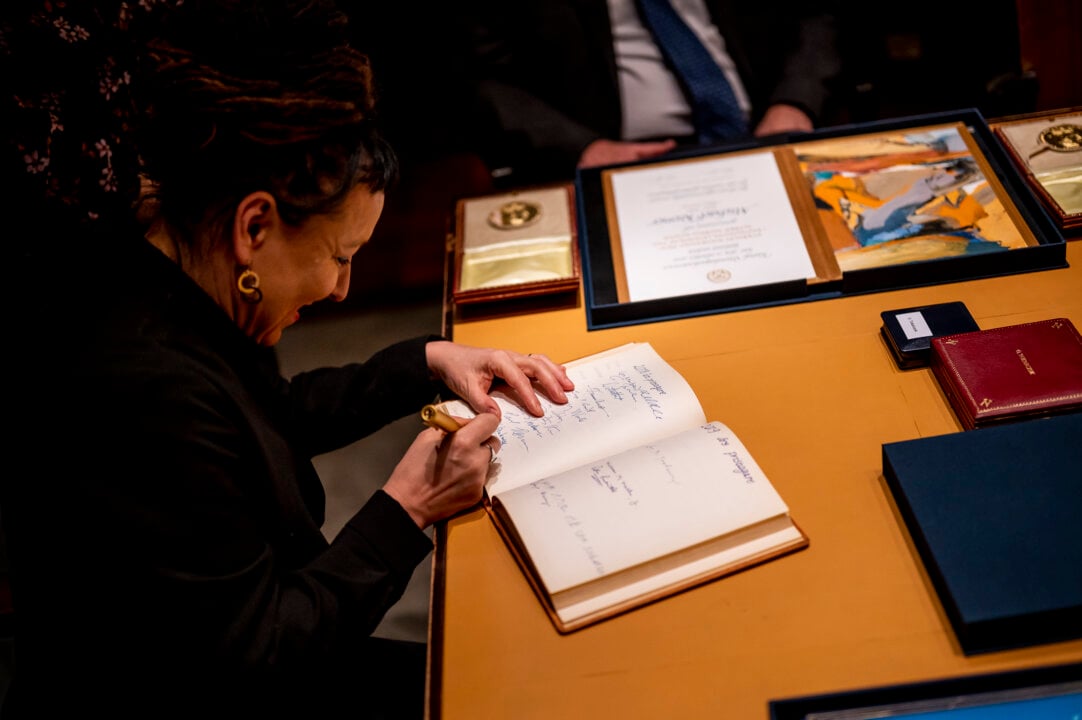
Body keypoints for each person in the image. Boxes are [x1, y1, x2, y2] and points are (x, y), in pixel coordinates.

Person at [3, 0, 574, 716]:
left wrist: (429, 359)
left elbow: (265, 417)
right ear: (255, 225)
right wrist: (410, 506)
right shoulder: (142, 386)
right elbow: (257, 654)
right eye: (339, 257)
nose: (342, 289)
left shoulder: (174, 269)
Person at [456, 0, 845, 187]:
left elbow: (815, 14)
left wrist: (794, 101)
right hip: (613, 161)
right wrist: (581, 147)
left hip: (766, 133)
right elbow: (477, 78)